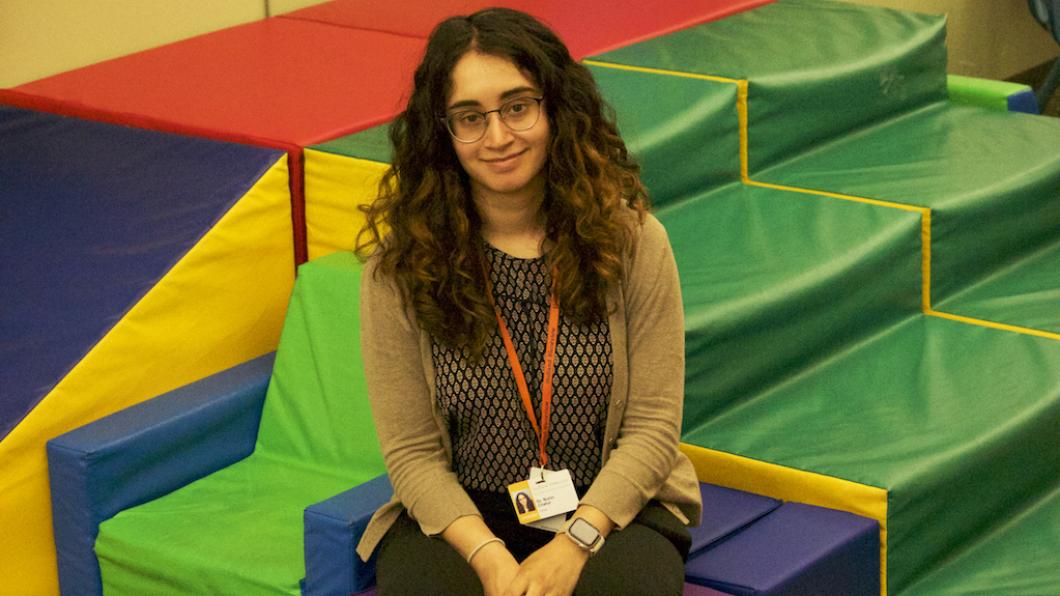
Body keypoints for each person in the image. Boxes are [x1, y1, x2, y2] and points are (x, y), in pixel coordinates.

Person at [354, 7, 701, 596]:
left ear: (555, 107)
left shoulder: (634, 242)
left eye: (517, 106)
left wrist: (575, 544)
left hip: (611, 510)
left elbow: (651, 428)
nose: (497, 137)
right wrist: (490, 560)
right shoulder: (400, 268)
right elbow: (411, 452)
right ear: (443, 131)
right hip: (466, 519)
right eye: (470, 117)